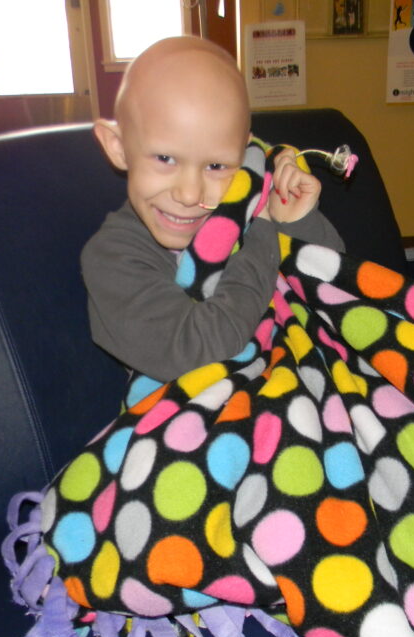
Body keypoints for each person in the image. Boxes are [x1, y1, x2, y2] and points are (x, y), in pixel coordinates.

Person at [82, 36, 345, 382]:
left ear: (244, 154)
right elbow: (198, 352)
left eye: (217, 166)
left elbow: (337, 293)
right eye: (165, 158)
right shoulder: (114, 257)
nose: (190, 194)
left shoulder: (248, 202)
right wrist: (264, 233)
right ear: (118, 147)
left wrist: (297, 221)